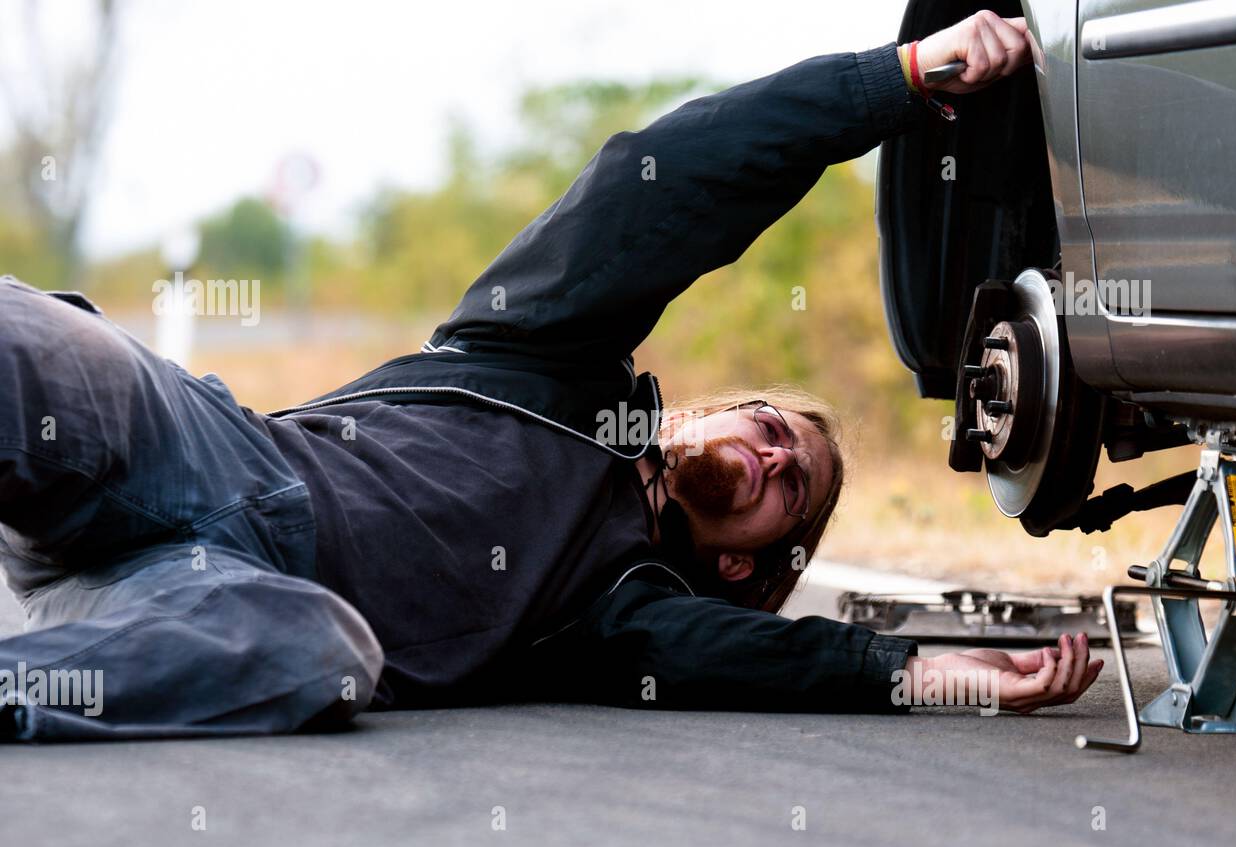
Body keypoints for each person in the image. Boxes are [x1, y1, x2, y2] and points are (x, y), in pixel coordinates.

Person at [0, 10, 1101, 741]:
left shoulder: (619, 616)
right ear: (708, 411)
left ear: (741, 564)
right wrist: (894, 82)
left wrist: (950, 675)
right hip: (203, 458)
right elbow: (660, 186)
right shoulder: (548, 361)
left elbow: (790, 663)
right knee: (48, 347)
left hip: (184, 601)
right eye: (770, 425)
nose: (770, 453)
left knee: (316, 655)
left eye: (791, 486)